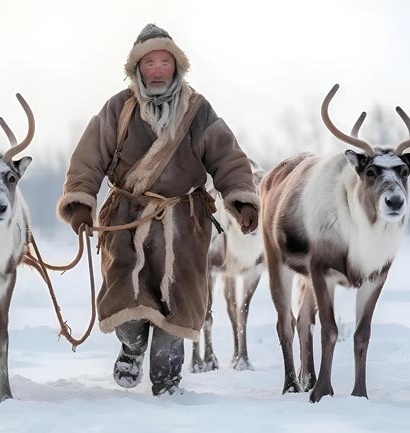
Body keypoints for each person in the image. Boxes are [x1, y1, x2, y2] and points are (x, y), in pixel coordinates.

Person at [56, 23, 259, 396]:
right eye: (150, 62)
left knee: (176, 308)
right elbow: (87, 159)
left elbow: (227, 155)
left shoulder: (199, 111)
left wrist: (242, 197)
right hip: (126, 222)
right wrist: (81, 204)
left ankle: (168, 387)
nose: (158, 70)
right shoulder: (117, 108)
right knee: (126, 302)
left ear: (176, 67)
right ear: (138, 68)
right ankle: (131, 349)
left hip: (183, 225)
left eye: (165, 62)